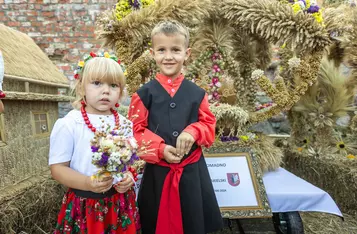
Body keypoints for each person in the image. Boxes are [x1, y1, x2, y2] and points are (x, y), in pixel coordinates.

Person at [128, 20, 223, 234]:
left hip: (192, 173)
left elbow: (209, 125)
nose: (168, 56)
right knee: (156, 223)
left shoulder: (197, 94)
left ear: (187, 53)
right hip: (158, 176)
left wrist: (193, 131)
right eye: (162, 50)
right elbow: (135, 131)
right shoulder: (143, 94)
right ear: (152, 53)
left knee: (192, 221)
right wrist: (160, 149)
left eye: (175, 50)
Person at [49, 53, 140, 234]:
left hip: (119, 204)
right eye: (97, 83)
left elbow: (131, 162)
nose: (106, 90)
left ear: (120, 92)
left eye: (113, 85)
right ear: (81, 87)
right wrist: (87, 182)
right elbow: (58, 168)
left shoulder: (125, 125)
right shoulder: (70, 124)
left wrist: (129, 177)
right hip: (85, 206)